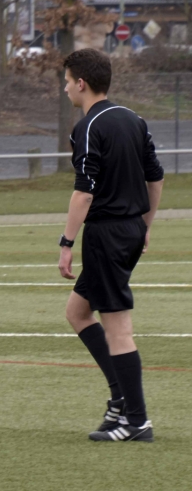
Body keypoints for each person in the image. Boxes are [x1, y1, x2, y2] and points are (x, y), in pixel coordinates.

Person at [59, 49, 164, 443]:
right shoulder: (134, 119)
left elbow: (84, 193)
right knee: (77, 311)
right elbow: (156, 177)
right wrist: (145, 226)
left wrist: (67, 242)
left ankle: (136, 421)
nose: (65, 88)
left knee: (118, 328)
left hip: (106, 235)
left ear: (81, 83)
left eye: (67, 81)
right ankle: (120, 398)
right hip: (130, 229)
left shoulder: (88, 126)